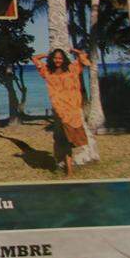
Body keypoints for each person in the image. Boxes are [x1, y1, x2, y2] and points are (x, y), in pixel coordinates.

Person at [32, 47, 93, 177]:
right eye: (55, 58)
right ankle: (68, 169)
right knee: (63, 140)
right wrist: (47, 53)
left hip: (72, 110)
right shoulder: (47, 71)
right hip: (59, 111)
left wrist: (75, 51)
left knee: (69, 140)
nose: (57, 60)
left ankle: (69, 169)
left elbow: (84, 57)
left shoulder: (72, 68)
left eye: (60, 58)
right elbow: (35, 58)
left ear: (64, 59)